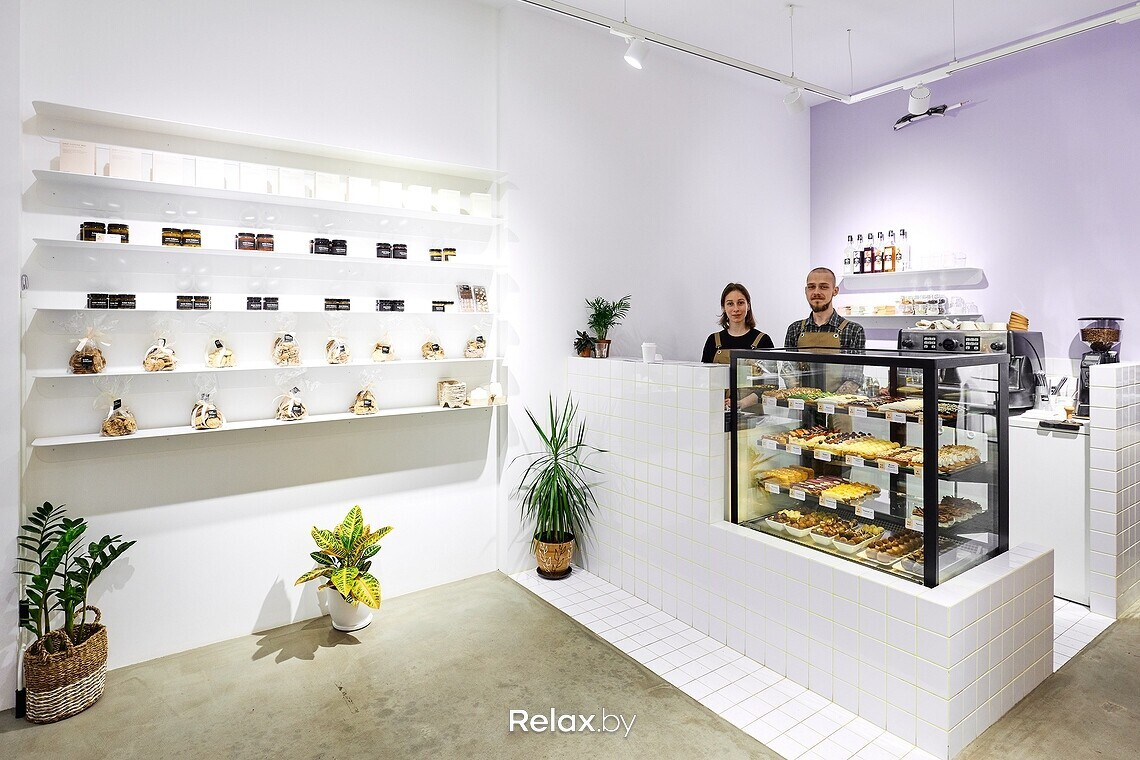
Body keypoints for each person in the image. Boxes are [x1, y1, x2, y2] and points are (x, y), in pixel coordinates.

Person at [782, 267, 865, 394]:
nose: (816, 292)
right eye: (811, 287)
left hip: (838, 404)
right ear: (806, 291)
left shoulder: (853, 331)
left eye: (823, 287)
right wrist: (802, 398)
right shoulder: (795, 329)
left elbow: (854, 378)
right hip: (801, 403)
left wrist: (829, 402)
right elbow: (788, 371)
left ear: (835, 291)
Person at [701, 283, 774, 409]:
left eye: (740, 303)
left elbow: (771, 384)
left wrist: (742, 403)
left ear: (748, 306)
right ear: (723, 308)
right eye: (730, 304)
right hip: (718, 411)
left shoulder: (763, 341)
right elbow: (704, 379)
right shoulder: (713, 341)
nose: (736, 309)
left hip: (753, 414)